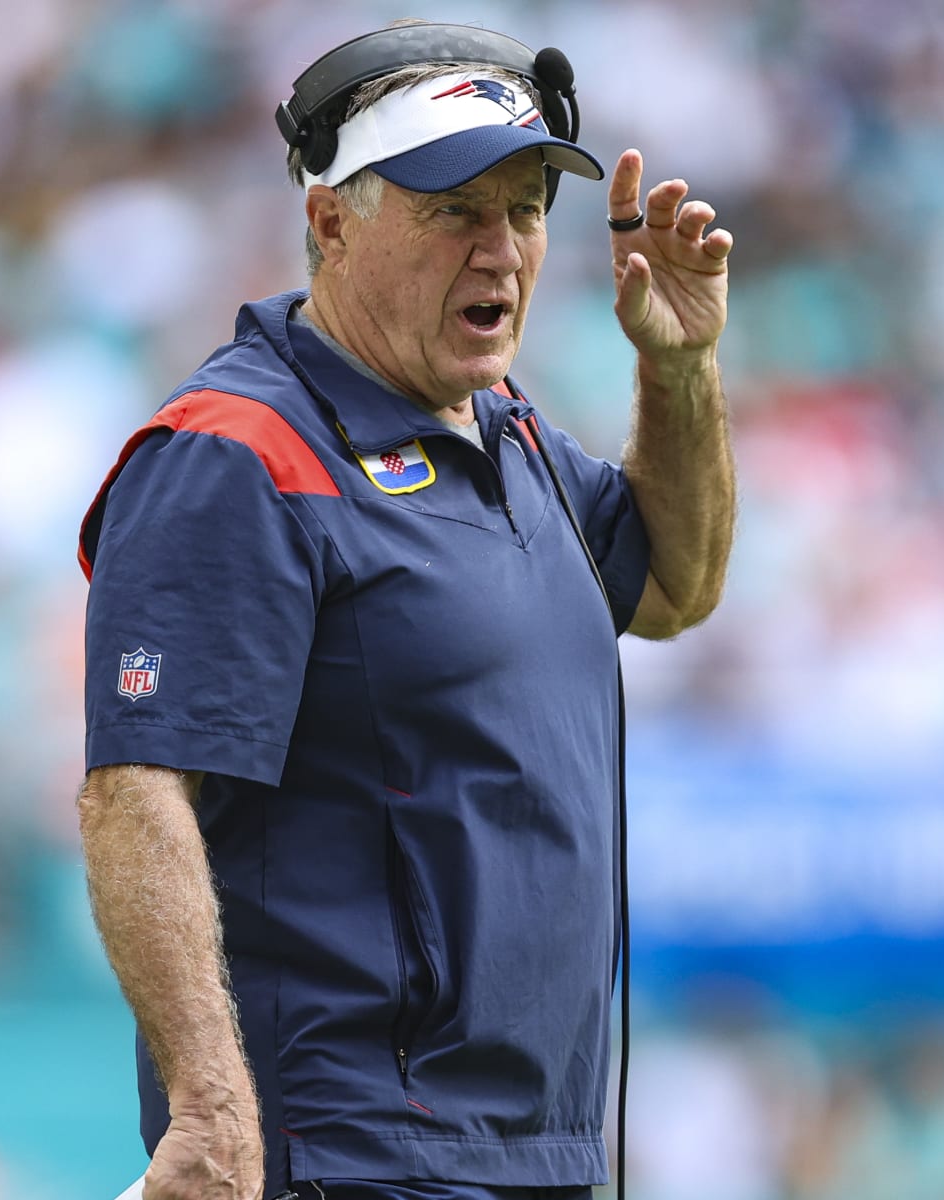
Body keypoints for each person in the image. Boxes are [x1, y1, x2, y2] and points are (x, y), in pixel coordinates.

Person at [75, 22, 735, 1200]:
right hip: (352, 1152)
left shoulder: (508, 434)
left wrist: (678, 372)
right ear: (332, 222)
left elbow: (676, 586)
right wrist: (215, 1111)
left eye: (525, 209)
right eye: (451, 211)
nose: (501, 251)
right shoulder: (237, 453)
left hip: (531, 1148)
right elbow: (135, 794)